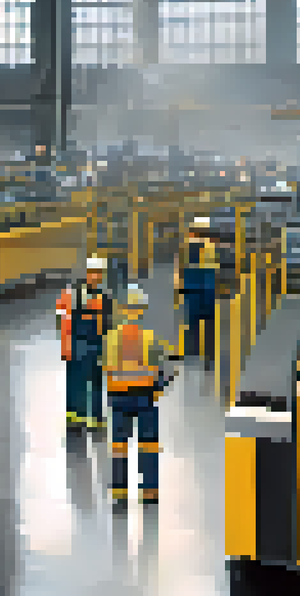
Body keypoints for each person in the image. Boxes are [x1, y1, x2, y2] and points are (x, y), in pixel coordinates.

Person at [104, 285, 178, 506]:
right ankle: (149, 492)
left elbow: (105, 368)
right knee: (148, 446)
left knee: (119, 446)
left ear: (122, 309)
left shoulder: (111, 338)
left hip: (118, 400)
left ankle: (119, 492)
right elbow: (167, 371)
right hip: (145, 399)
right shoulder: (151, 339)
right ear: (141, 310)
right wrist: (157, 389)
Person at [58, 257, 114, 431]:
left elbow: (108, 325)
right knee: (76, 382)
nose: (96, 277)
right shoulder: (72, 293)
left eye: (99, 274)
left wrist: (110, 349)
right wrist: (66, 344)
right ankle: (75, 418)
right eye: (93, 273)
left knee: (97, 381)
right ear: (87, 273)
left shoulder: (105, 296)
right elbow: (64, 319)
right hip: (77, 343)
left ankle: (96, 419)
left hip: (97, 344)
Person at [174, 216, 220, 363]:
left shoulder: (185, 249)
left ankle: (192, 352)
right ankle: (209, 354)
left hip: (192, 291)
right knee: (209, 324)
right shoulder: (211, 248)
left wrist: (178, 291)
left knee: (191, 323)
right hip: (208, 290)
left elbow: (179, 272)